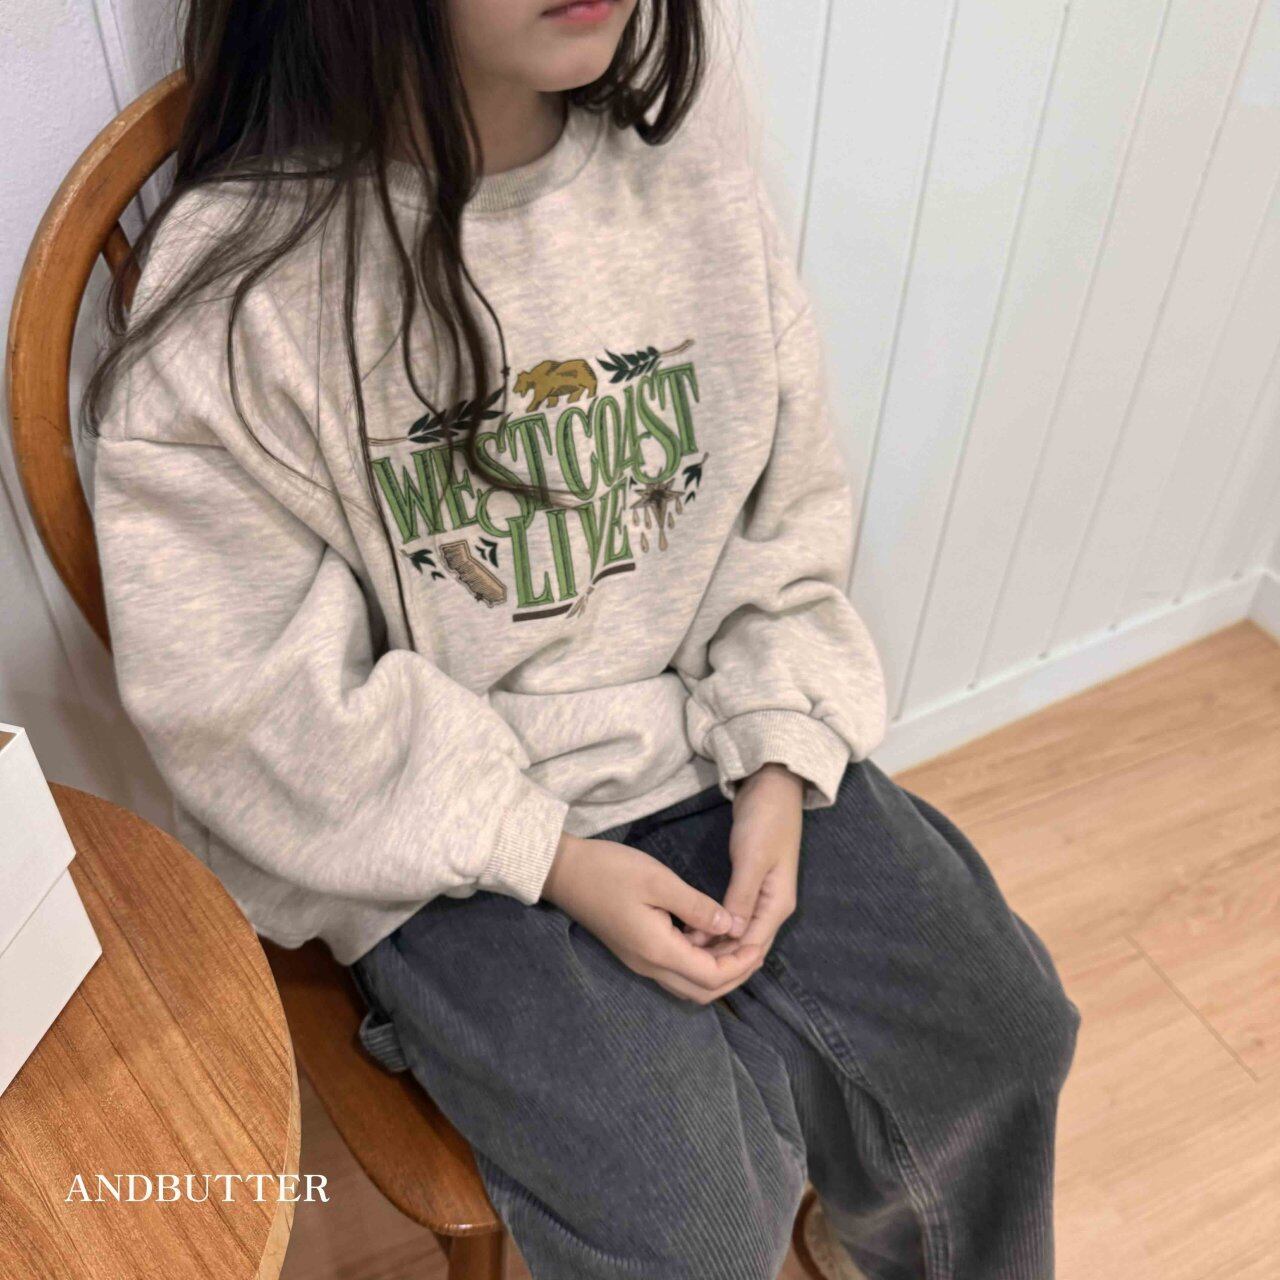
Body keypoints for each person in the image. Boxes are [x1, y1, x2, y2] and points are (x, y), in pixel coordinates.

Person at [87, 1, 1080, 1276]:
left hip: (706, 739)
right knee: (694, 1218)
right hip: (438, 842)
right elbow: (251, 701)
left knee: (999, 1029)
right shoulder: (246, 299)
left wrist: (779, 760)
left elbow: (781, 525)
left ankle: (885, 1236)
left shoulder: (691, 188)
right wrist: (549, 855)